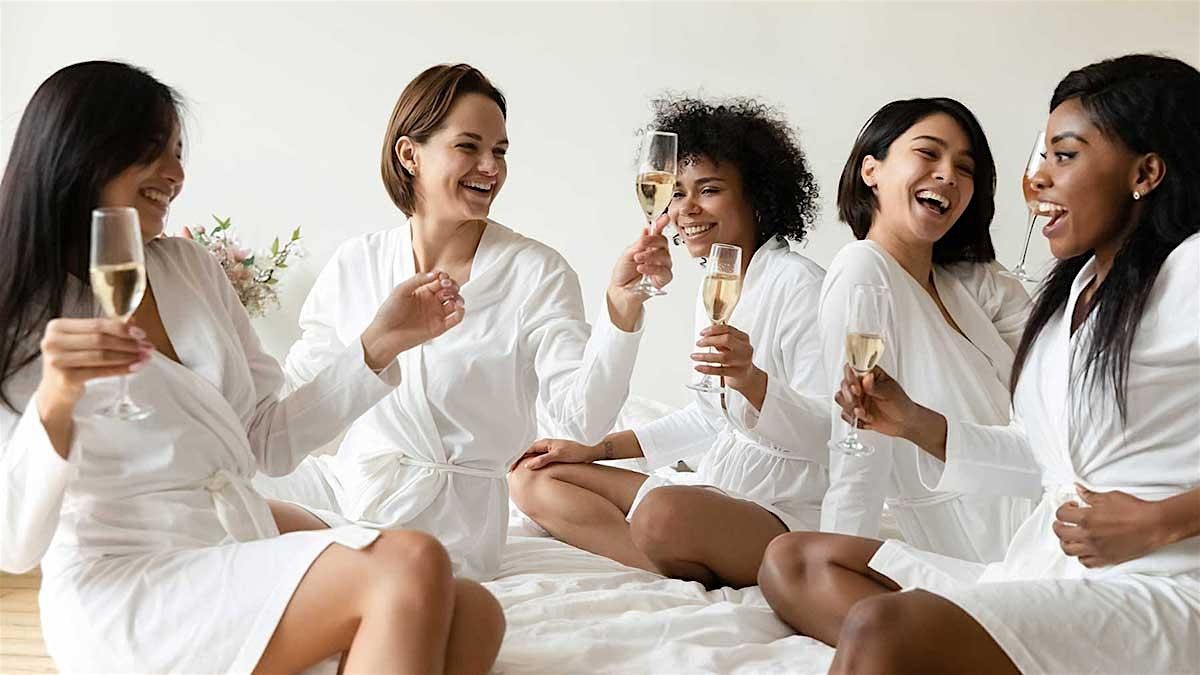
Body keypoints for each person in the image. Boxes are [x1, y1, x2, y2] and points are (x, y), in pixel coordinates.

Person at [0, 61, 503, 674]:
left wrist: (379, 344)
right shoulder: (20, 313)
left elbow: (267, 442)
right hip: (130, 587)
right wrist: (55, 401)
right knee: (410, 562)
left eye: (179, 153)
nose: (176, 175)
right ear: (80, 152)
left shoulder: (189, 269)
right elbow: (14, 544)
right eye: (155, 150)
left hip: (225, 554)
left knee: (474, 612)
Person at [758, 54, 1200, 675]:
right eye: (1041, 156)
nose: (1036, 179)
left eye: (1064, 156)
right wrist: (916, 424)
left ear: (1146, 172)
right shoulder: (1078, 294)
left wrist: (1162, 522)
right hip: (1045, 566)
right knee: (796, 560)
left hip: (1159, 583)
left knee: (885, 627)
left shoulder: (1188, 271)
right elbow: (1045, 461)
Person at [254, 63, 673, 581]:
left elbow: (580, 420)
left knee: (290, 549)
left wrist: (623, 309)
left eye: (500, 151)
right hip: (348, 487)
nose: (490, 167)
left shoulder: (534, 272)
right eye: (468, 146)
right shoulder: (357, 262)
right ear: (409, 155)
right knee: (217, 504)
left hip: (448, 520)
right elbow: (297, 397)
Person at [509, 96, 828, 589]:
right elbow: (708, 418)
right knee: (532, 476)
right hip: (719, 491)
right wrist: (593, 450)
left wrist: (752, 381)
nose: (687, 208)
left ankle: (685, 551)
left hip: (786, 511)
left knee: (661, 513)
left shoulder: (801, 286)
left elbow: (830, 438)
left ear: (758, 196)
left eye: (709, 190)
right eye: (677, 193)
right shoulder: (718, 285)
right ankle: (677, 562)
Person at [817, 97, 1032, 563]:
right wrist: (836, 562)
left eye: (965, 168)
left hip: (1042, 514)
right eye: (928, 153)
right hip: (979, 543)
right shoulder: (863, 269)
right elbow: (858, 442)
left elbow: (1057, 396)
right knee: (794, 563)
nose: (949, 175)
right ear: (871, 170)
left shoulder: (970, 285)